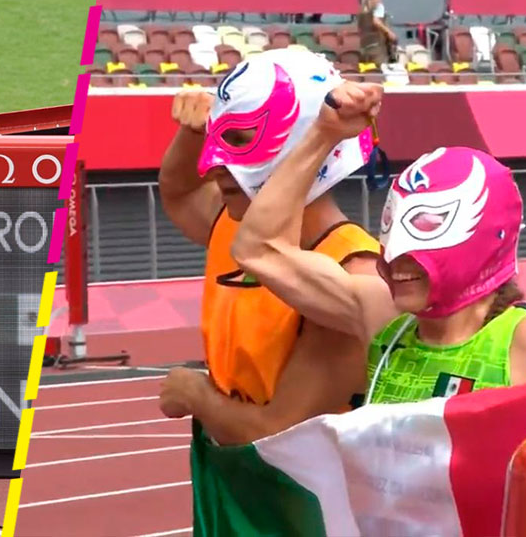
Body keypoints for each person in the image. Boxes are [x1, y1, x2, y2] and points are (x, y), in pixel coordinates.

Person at [227, 87, 526, 406]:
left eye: (426, 223)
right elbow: (258, 250)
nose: (393, 256)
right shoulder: (383, 316)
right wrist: (325, 135)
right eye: (390, 223)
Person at [156, 50, 383, 451]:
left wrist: (197, 396)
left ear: (302, 141)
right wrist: (191, 134)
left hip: (303, 504)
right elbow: (180, 191)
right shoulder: (231, 220)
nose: (210, 165)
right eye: (215, 138)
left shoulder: (351, 276)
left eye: (239, 139)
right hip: (234, 493)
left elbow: (279, 433)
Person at [358, 0, 396, 66]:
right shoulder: (379, 5)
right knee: (378, 72)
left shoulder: (364, 5)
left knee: (367, 71)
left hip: (364, 45)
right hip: (377, 46)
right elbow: (376, 21)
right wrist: (389, 32)